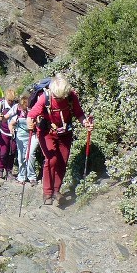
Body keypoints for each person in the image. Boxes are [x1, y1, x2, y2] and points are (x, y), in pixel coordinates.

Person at [27, 74, 92, 205]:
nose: (60, 99)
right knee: (51, 160)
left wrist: (85, 123)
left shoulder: (71, 96)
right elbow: (31, 115)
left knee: (62, 161)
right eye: (57, 97)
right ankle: (47, 193)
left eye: (62, 97)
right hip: (46, 132)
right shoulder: (44, 98)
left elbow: (79, 113)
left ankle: (56, 191)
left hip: (65, 133)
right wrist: (29, 122)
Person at [0, 90, 19, 179]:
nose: (11, 102)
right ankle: (0, 169)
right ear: (6, 98)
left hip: (14, 132)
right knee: (3, 152)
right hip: (3, 131)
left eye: (12, 100)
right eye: (9, 100)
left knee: (12, 152)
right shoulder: (1, 104)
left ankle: (9, 171)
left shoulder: (17, 105)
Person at [11, 98, 39, 184]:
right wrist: (11, 129)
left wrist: (34, 124)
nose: (25, 109)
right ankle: (22, 176)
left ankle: (32, 176)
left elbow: (38, 122)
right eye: (23, 107)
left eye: (26, 107)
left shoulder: (33, 110)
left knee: (30, 154)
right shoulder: (18, 111)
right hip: (21, 135)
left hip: (33, 135)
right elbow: (11, 123)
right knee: (21, 156)